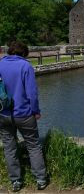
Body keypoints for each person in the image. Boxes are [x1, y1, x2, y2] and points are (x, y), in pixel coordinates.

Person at [0, 41, 47, 192]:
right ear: (23, 53)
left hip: (3, 114)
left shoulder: (0, 64)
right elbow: (31, 93)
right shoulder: (25, 66)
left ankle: (16, 181)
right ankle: (40, 179)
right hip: (24, 114)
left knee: (9, 148)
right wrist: (36, 111)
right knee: (33, 146)